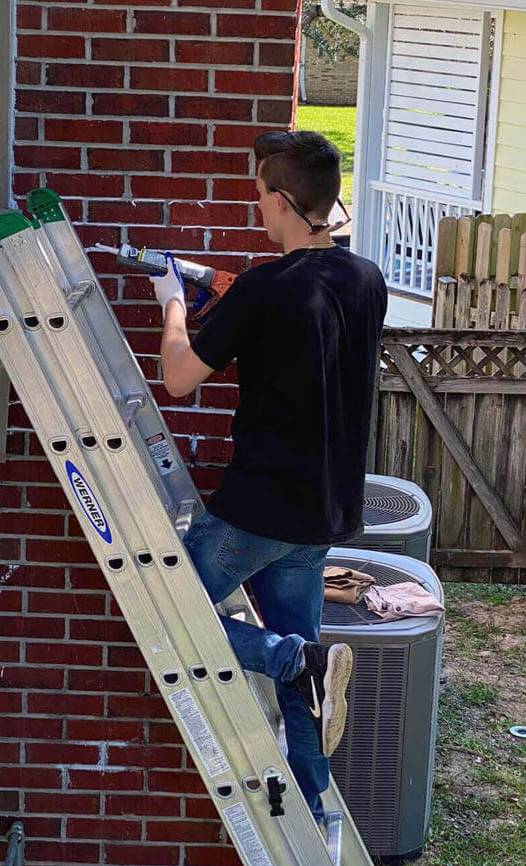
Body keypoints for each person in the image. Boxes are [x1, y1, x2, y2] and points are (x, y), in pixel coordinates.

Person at [152, 130, 388, 826]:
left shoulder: (261, 288)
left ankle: (283, 657)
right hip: (324, 514)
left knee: (175, 623)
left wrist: (173, 300)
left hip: (255, 514)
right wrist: (235, 303)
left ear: (283, 201)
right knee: (310, 688)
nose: (256, 206)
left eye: (259, 194)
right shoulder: (367, 279)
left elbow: (177, 379)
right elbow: (309, 325)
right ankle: (316, 813)